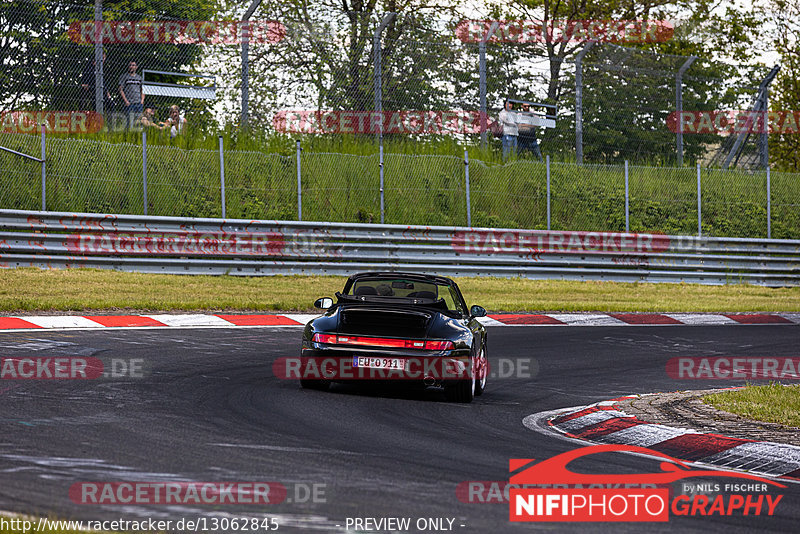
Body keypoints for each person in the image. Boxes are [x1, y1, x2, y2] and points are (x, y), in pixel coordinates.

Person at [119, 60, 144, 129]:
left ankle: (137, 137)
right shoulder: (124, 77)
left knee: (139, 122)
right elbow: (120, 89)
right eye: (130, 65)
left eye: (133, 65)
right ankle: (128, 136)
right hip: (129, 103)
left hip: (138, 103)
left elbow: (143, 90)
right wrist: (126, 101)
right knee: (129, 123)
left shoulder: (139, 78)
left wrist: (142, 101)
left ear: (136, 67)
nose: (131, 67)